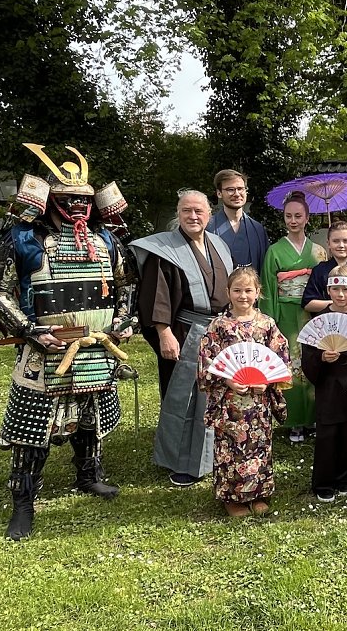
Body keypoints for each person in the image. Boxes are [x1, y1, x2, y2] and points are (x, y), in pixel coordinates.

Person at [0, 143, 137, 540]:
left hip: (97, 345)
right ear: (50, 200)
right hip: (46, 347)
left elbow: (126, 285)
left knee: (92, 416)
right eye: (68, 199)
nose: (77, 206)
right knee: (32, 429)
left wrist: (125, 320)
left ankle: (89, 476)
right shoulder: (26, 240)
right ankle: (23, 502)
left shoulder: (107, 239)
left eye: (83, 199)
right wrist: (30, 330)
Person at [131, 190, 234, 487]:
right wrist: (164, 333)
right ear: (178, 213)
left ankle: (213, 453)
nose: (193, 216)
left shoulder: (219, 244)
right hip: (182, 332)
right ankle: (179, 460)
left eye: (199, 211)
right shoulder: (164, 250)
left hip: (217, 331)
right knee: (183, 399)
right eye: (186, 211)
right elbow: (156, 296)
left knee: (215, 395)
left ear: (209, 214)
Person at [197, 267, 289, 517]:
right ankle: (232, 497)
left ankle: (259, 493)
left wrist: (267, 382)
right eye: (237, 290)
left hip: (258, 402)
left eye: (248, 290)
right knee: (230, 447)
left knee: (259, 446)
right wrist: (226, 380)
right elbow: (207, 360)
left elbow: (280, 358)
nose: (243, 295)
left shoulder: (266, 324)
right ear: (228, 292)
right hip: (230, 402)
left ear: (258, 292)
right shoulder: (218, 326)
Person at [301, 264, 347, 502]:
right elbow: (308, 353)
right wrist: (321, 358)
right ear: (328, 291)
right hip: (329, 381)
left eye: (346, 289)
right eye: (336, 290)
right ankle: (325, 480)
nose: (341, 295)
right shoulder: (320, 320)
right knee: (328, 433)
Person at [259, 191, 326, 443]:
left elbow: (324, 284)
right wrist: (271, 321)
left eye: (298, 215)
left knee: (314, 362)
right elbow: (268, 287)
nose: (293, 220)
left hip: (312, 312)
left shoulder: (319, 252)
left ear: (307, 218)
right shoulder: (275, 251)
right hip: (286, 312)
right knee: (290, 365)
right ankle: (294, 420)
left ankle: (314, 417)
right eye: (289, 216)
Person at [206, 169, 269, 271]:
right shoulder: (208, 227)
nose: (237, 194)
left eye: (240, 189)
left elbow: (265, 268)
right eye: (230, 189)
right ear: (219, 193)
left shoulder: (258, 229)